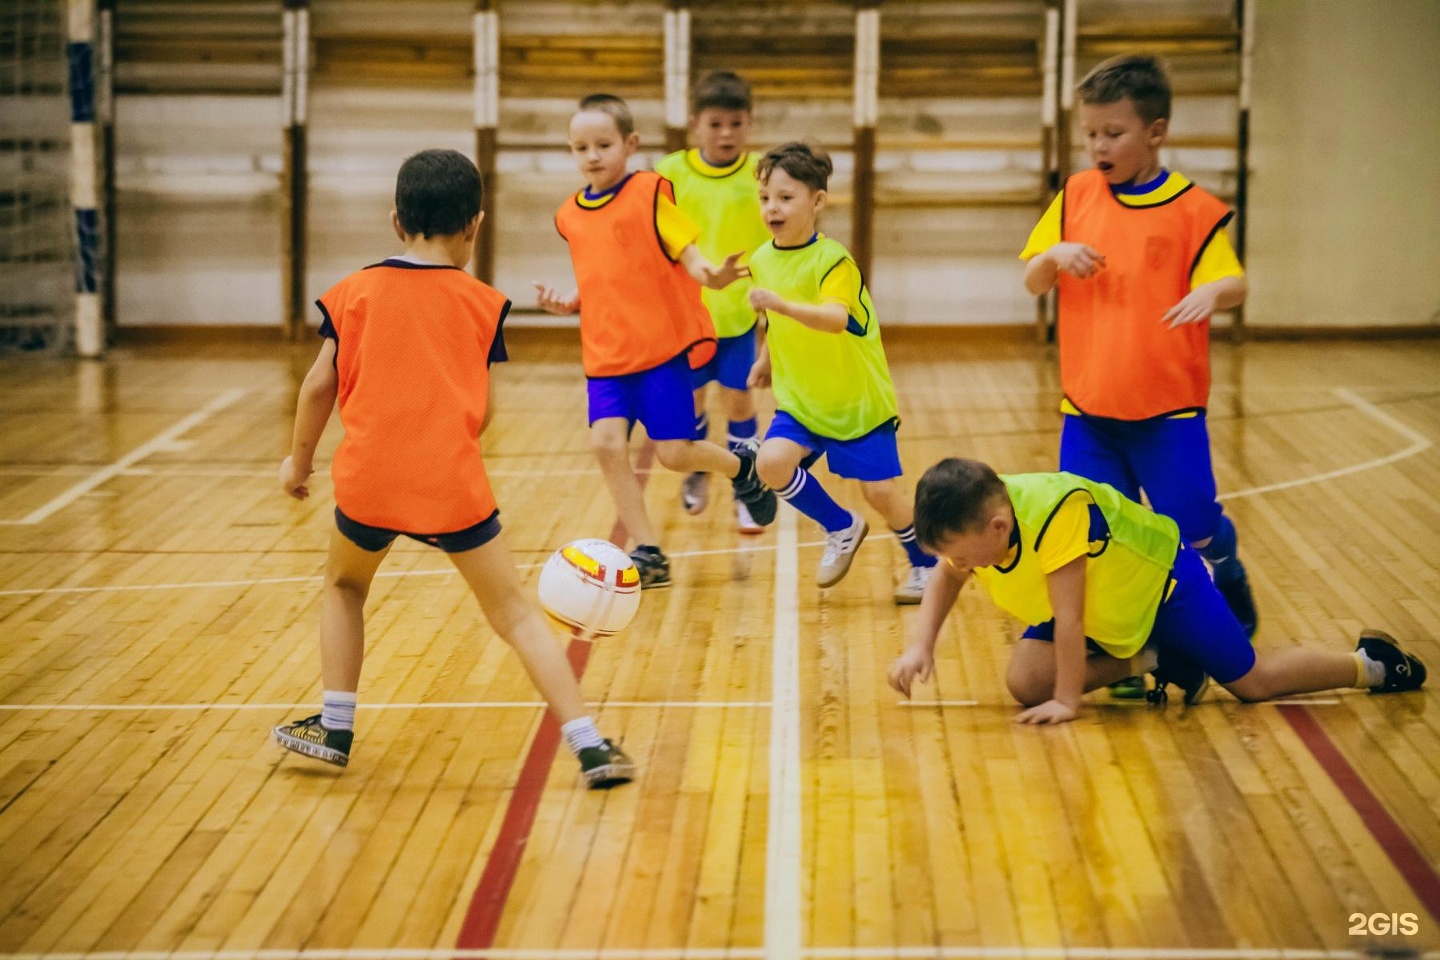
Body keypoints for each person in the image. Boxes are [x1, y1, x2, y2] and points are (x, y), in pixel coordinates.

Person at [273, 149, 634, 788]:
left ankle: (333, 726)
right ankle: (590, 745)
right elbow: (484, 411)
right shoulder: (483, 303)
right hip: (451, 487)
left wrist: (298, 462)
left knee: (344, 586)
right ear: (475, 224)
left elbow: (316, 386)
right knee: (517, 615)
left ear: (395, 222)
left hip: (368, 483)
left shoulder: (352, 292)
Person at [1019, 54, 1254, 698]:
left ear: (1156, 132)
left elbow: (1233, 279)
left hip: (1168, 415)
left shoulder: (1193, 210)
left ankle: (1225, 564)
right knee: (1101, 538)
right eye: (1091, 133)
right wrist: (1054, 256)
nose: (1099, 145)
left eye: (1113, 133)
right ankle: (1125, 643)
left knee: (1193, 531)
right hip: (1089, 414)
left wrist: (1215, 295)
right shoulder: (1074, 197)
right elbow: (1032, 275)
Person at [887, 458, 1427, 723]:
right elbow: (949, 576)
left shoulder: (1056, 515)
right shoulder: (982, 520)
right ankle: (1160, 658)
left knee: (1254, 683)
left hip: (1165, 585)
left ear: (999, 528)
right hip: (1109, 606)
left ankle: (1372, 664)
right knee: (1026, 681)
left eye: (959, 552)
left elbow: (1069, 620)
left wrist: (1068, 702)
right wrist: (921, 645)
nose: (955, 565)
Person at [535, 93, 778, 587]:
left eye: (603, 144)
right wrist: (571, 300)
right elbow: (604, 271)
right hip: (605, 356)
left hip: (659, 354)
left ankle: (741, 469)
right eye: (580, 148)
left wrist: (715, 275)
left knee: (673, 453)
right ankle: (648, 551)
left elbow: (693, 261)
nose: (593, 156)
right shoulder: (569, 215)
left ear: (630, 144)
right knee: (605, 444)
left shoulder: (650, 194)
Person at [745, 142, 937, 604]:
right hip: (802, 401)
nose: (773, 207)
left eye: (786, 197)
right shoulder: (761, 259)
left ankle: (927, 567)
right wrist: (767, 360)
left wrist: (780, 305)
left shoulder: (834, 261)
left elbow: (832, 319)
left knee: (882, 494)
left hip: (856, 402)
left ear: (816, 202)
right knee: (770, 463)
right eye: (766, 197)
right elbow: (775, 322)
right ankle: (840, 527)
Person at [655, 71, 772, 534]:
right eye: (716, 123)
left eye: (736, 123)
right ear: (695, 124)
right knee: (692, 400)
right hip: (684, 318)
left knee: (740, 401)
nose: (727, 133)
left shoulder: (762, 172)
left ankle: (749, 490)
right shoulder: (669, 173)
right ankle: (699, 467)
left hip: (740, 317)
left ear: (749, 123)